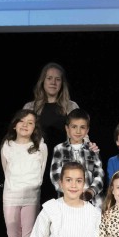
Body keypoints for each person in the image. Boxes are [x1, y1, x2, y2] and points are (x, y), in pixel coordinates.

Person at [23, 62, 97, 201]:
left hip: (64, 163)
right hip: (37, 165)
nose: (53, 82)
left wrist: (89, 146)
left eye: (57, 79)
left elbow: (81, 133)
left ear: (62, 83)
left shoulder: (71, 106)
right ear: (42, 81)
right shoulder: (31, 107)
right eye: (49, 78)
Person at [0, 109, 48, 237]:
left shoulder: (40, 146)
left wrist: (31, 190)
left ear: (35, 127)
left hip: (30, 197)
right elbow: (6, 171)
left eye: (30, 122)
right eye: (22, 121)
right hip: (11, 196)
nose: (25, 125)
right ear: (15, 124)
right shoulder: (7, 145)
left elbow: (41, 173)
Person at [49, 108, 105, 209]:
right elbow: (55, 176)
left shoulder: (92, 149)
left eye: (82, 127)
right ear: (67, 128)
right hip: (67, 202)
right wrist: (72, 193)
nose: (78, 131)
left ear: (87, 130)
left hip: (92, 202)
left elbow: (99, 175)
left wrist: (90, 192)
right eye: (74, 127)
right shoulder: (59, 149)